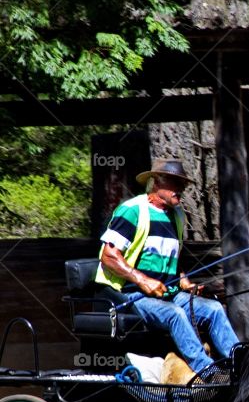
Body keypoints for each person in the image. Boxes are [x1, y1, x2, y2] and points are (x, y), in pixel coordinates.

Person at [95, 157, 240, 375]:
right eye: (175, 182)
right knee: (175, 315)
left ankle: (241, 366)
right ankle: (207, 371)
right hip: (132, 296)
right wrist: (142, 280)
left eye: (182, 183)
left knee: (214, 309)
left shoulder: (177, 216)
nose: (181, 188)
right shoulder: (133, 211)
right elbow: (108, 256)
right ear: (157, 181)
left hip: (169, 294)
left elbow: (173, 259)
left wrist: (184, 281)